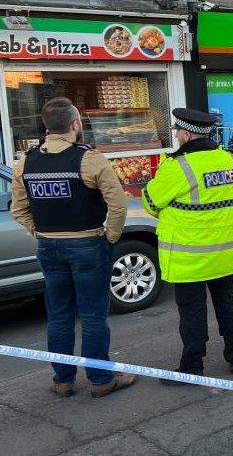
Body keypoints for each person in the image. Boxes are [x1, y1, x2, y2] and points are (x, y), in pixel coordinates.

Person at [11, 98, 137, 398]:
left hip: (49, 247)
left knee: (58, 315)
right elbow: (117, 205)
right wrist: (110, 237)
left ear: (46, 126)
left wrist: (40, 232)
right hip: (88, 244)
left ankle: (63, 379)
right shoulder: (89, 159)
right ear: (74, 125)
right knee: (93, 316)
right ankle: (101, 379)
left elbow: (18, 209)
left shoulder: (26, 161)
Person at [141, 108, 233, 384]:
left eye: (178, 132)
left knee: (192, 311)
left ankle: (192, 365)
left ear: (187, 134)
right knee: (226, 302)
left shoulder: (177, 167)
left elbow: (150, 202)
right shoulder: (228, 159)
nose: (177, 136)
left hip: (190, 256)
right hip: (225, 252)